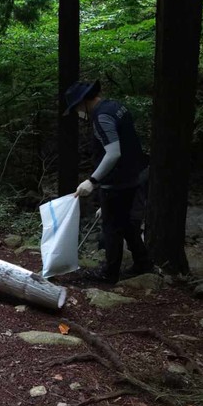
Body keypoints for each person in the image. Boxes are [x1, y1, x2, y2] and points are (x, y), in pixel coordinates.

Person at [64, 80, 153, 283]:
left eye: (77, 108)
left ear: (84, 101)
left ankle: (109, 274)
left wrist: (92, 181)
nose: (78, 113)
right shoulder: (115, 107)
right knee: (126, 224)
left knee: (111, 227)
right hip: (133, 175)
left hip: (118, 181)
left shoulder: (102, 116)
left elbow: (113, 153)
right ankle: (143, 262)